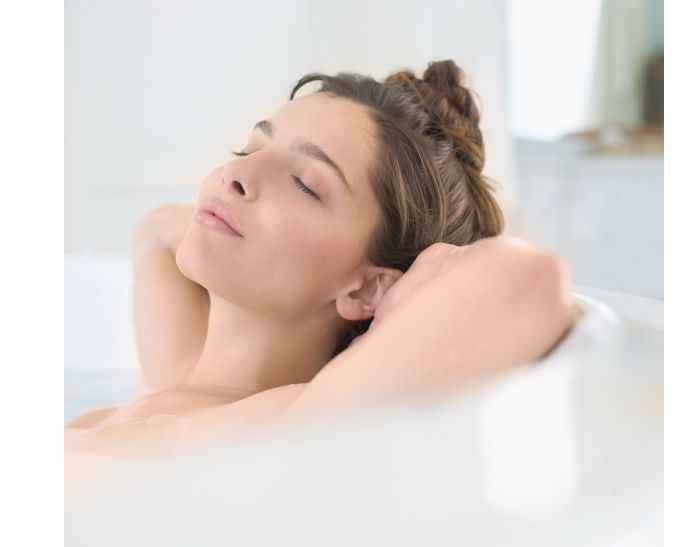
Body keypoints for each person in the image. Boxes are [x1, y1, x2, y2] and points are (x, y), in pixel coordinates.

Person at [64, 60, 577, 465]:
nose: (235, 174)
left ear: (367, 289)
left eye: (304, 184)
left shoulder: (288, 428)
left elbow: (527, 280)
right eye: (249, 148)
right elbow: (155, 231)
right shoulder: (174, 376)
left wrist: (409, 288)